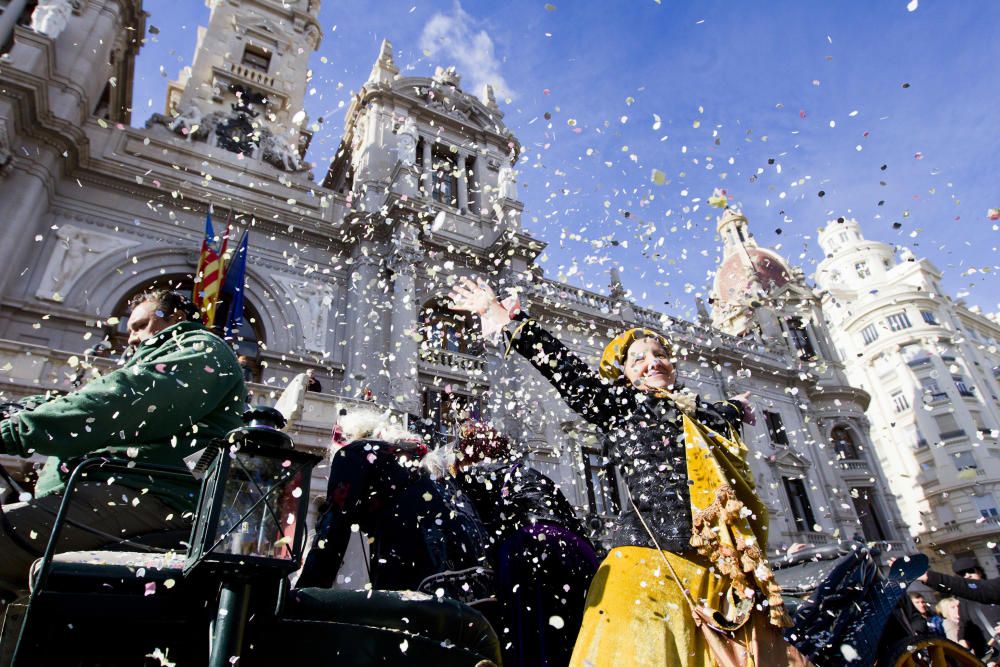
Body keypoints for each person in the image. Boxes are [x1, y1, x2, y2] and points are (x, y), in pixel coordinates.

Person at [449, 278, 803, 667]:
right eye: (638, 358)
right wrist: (508, 320)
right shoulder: (621, 407)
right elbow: (568, 372)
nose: (653, 361)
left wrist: (735, 407)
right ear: (625, 375)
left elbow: (712, 414)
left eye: (659, 353)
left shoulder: (695, 410)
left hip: (716, 567)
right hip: (646, 560)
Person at [0, 289, 247, 599]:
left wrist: (14, 432)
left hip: (150, 496)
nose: (130, 338)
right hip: (117, 490)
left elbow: (117, 401)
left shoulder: (200, 349)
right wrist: (16, 410)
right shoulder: (159, 359)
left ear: (178, 318)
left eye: (140, 325)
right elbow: (84, 400)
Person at [423, 419, 599, 667]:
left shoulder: (475, 476)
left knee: (534, 640)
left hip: (530, 550)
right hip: (579, 551)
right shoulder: (524, 471)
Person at [296, 409, 494, 609]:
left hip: (419, 580)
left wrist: (303, 596)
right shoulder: (422, 460)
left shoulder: (353, 452)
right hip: (479, 584)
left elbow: (332, 532)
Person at [919, 557, 1000, 657]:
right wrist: (962, 640)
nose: (967, 575)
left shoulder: (993, 588)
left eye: (971, 571)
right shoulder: (964, 602)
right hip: (992, 655)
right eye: (962, 574)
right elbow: (964, 625)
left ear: (979, 571)